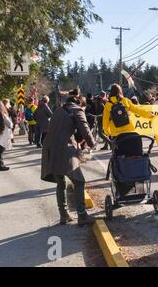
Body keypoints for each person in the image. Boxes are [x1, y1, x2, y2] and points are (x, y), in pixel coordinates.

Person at [41, 89, 96, 226]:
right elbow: (85, 129)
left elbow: (64, 128)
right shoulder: (77, 111)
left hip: (49, 149)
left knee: (61, 183)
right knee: (79, 181)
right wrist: (92, 144)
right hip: (64, 148)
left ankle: (64, 215)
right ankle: (82, 215)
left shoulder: (59, 110)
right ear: (80, 104)